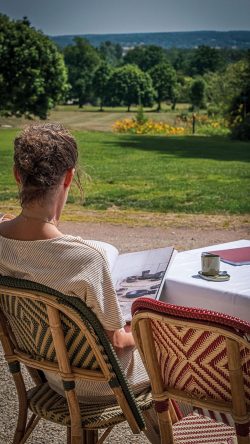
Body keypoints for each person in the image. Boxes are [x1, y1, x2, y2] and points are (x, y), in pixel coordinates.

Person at [0, 123, 162, 443]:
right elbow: (116, 344)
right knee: (172, 354)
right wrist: (143, 328)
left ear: (18, 175)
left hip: (51, 373)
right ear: (69, 178)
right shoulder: (88, 258)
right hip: (100, 383)